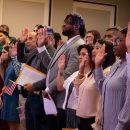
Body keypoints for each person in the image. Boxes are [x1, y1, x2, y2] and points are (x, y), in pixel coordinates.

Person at [24, 13, 86, 130]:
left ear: (77, 26)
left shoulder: (78, 45)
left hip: (62, 100)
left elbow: (68, 73)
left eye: (67, 22)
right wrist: (41, 47)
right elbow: (51, 66)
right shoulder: (68, 43)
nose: (63, 24)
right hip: (54, 99)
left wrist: (48, 88)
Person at [94, 28, 130, 130]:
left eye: (119, 40)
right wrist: (98, 67)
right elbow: (103, 90)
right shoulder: (117, 64)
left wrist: (120, 127)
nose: (114, 44)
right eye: (114, 41)